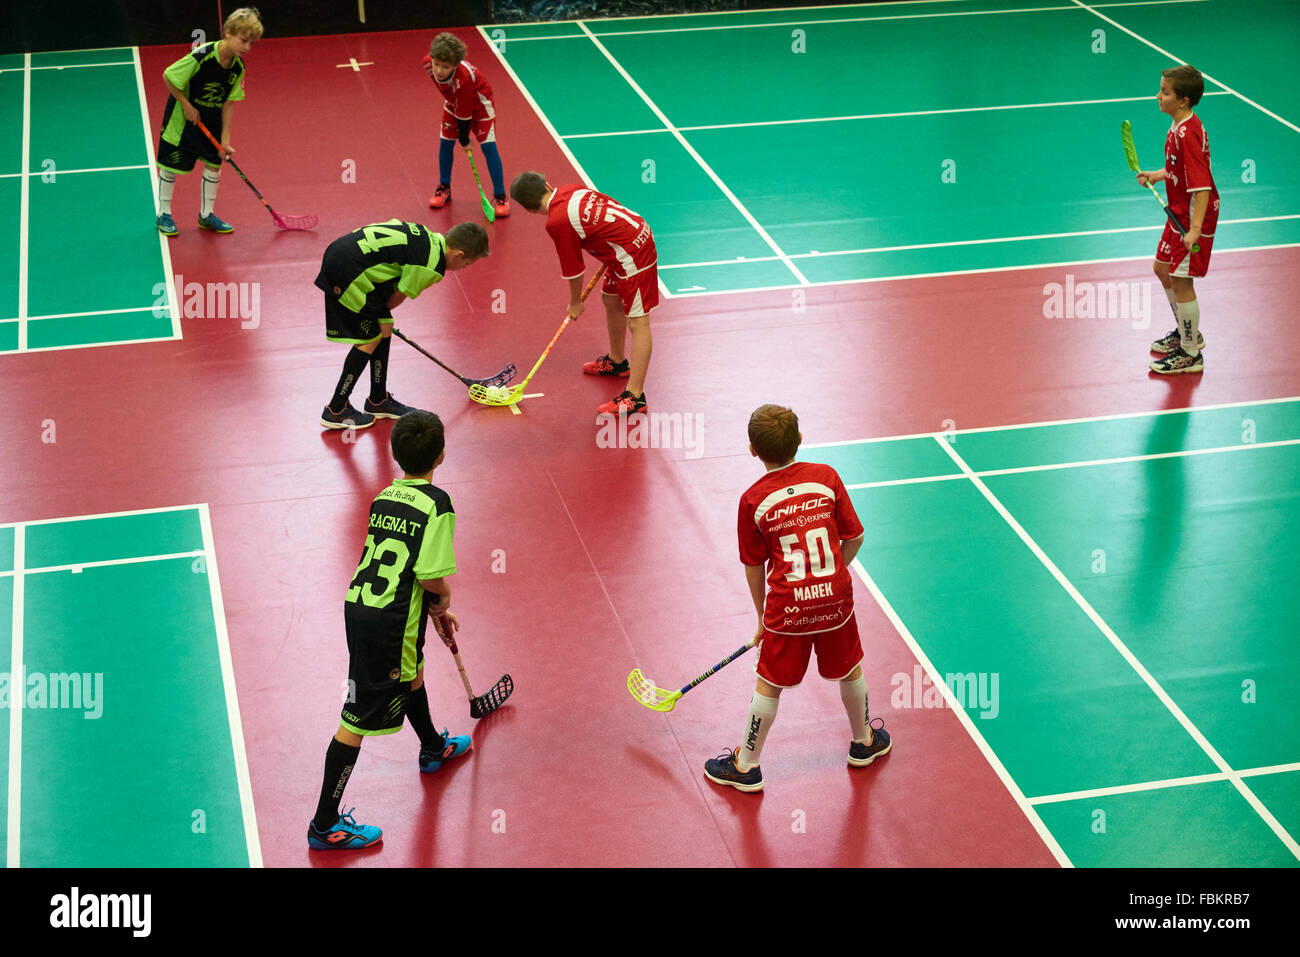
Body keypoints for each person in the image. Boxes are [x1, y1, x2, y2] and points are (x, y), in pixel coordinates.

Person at [704, 405, 891, 793]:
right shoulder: (825, 477)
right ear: (800, 440)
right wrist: (835, 571)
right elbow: (854, 537)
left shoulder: (753, 500)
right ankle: (864, 743)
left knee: (769, 684)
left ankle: (747, 766)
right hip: (835, 599)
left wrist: (761, 618)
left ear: (753, 449)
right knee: (850, 667)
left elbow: (754, 566)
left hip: (788, 607)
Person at [308, 409, 472, 849]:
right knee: (356, 717)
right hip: (391, 621)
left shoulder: (384, 497)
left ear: (397, 456)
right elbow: (427, 574)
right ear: (440, 455)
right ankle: (324, 825)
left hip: (361, 606)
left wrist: (431, 609)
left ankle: (433, 747)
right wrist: (444, 599)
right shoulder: (438, 505)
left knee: (412, 669)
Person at [316, 219, 488, 430]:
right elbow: (394, 299)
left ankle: (378, 400)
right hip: (346, 269)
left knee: (384, 325)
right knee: (370, 338)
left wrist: (379, 315)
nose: (463, 268)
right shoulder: (431, 266)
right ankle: (336, 409)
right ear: (459, 254)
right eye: (467, 264)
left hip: (343, 254)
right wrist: (377, 314)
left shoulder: (428, 236)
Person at [510, 171, 658, 415]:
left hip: (632, 253)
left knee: (639, 322)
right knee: (610, 299)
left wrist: (575, 302)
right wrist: (608, 240)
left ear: (529, 210)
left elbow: (574, 269)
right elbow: (609, 204)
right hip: (624, 242)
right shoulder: (569, 189)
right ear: (548, 183)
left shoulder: (557, 221)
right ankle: (617, 361)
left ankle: (635, 396)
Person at [155, 7, 264, 236]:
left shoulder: (238, 68)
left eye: (251, 43)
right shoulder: (201, 56)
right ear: (228, 33)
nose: (246, 47)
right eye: (243, 40)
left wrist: (225, 140)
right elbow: (169, 76)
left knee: (215, 164)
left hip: (210, 120)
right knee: (171, 165)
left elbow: (229, 103)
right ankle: (163, 213)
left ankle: (206, 215)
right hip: (182, 120)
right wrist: (186, 105)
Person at [1140, 64, 1219, 375]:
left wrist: (1195, 230)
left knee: (1181, 282)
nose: (1158, 96)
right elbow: (1177, 168)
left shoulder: (1188, 134)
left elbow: (1201, 188)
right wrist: (1158, 176)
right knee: (1162, 269)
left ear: (1183, 100)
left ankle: (1190, 354)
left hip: (1191, 218)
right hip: (1178, 214)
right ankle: (1188, 333)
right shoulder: (1177, 125)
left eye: (1165, 92)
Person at [423, 32, 509, 216]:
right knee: (445, 143)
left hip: (480, 107)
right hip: (455, 103)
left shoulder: (464, 78)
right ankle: (444, 187)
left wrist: (464, 138)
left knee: (488, 148)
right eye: (436, 64)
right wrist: (460, 134)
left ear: (454, 65)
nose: (438, 70)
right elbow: (454, 99)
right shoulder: (427, 63)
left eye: (445, 67)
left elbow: (465, 112)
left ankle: (501, 197)